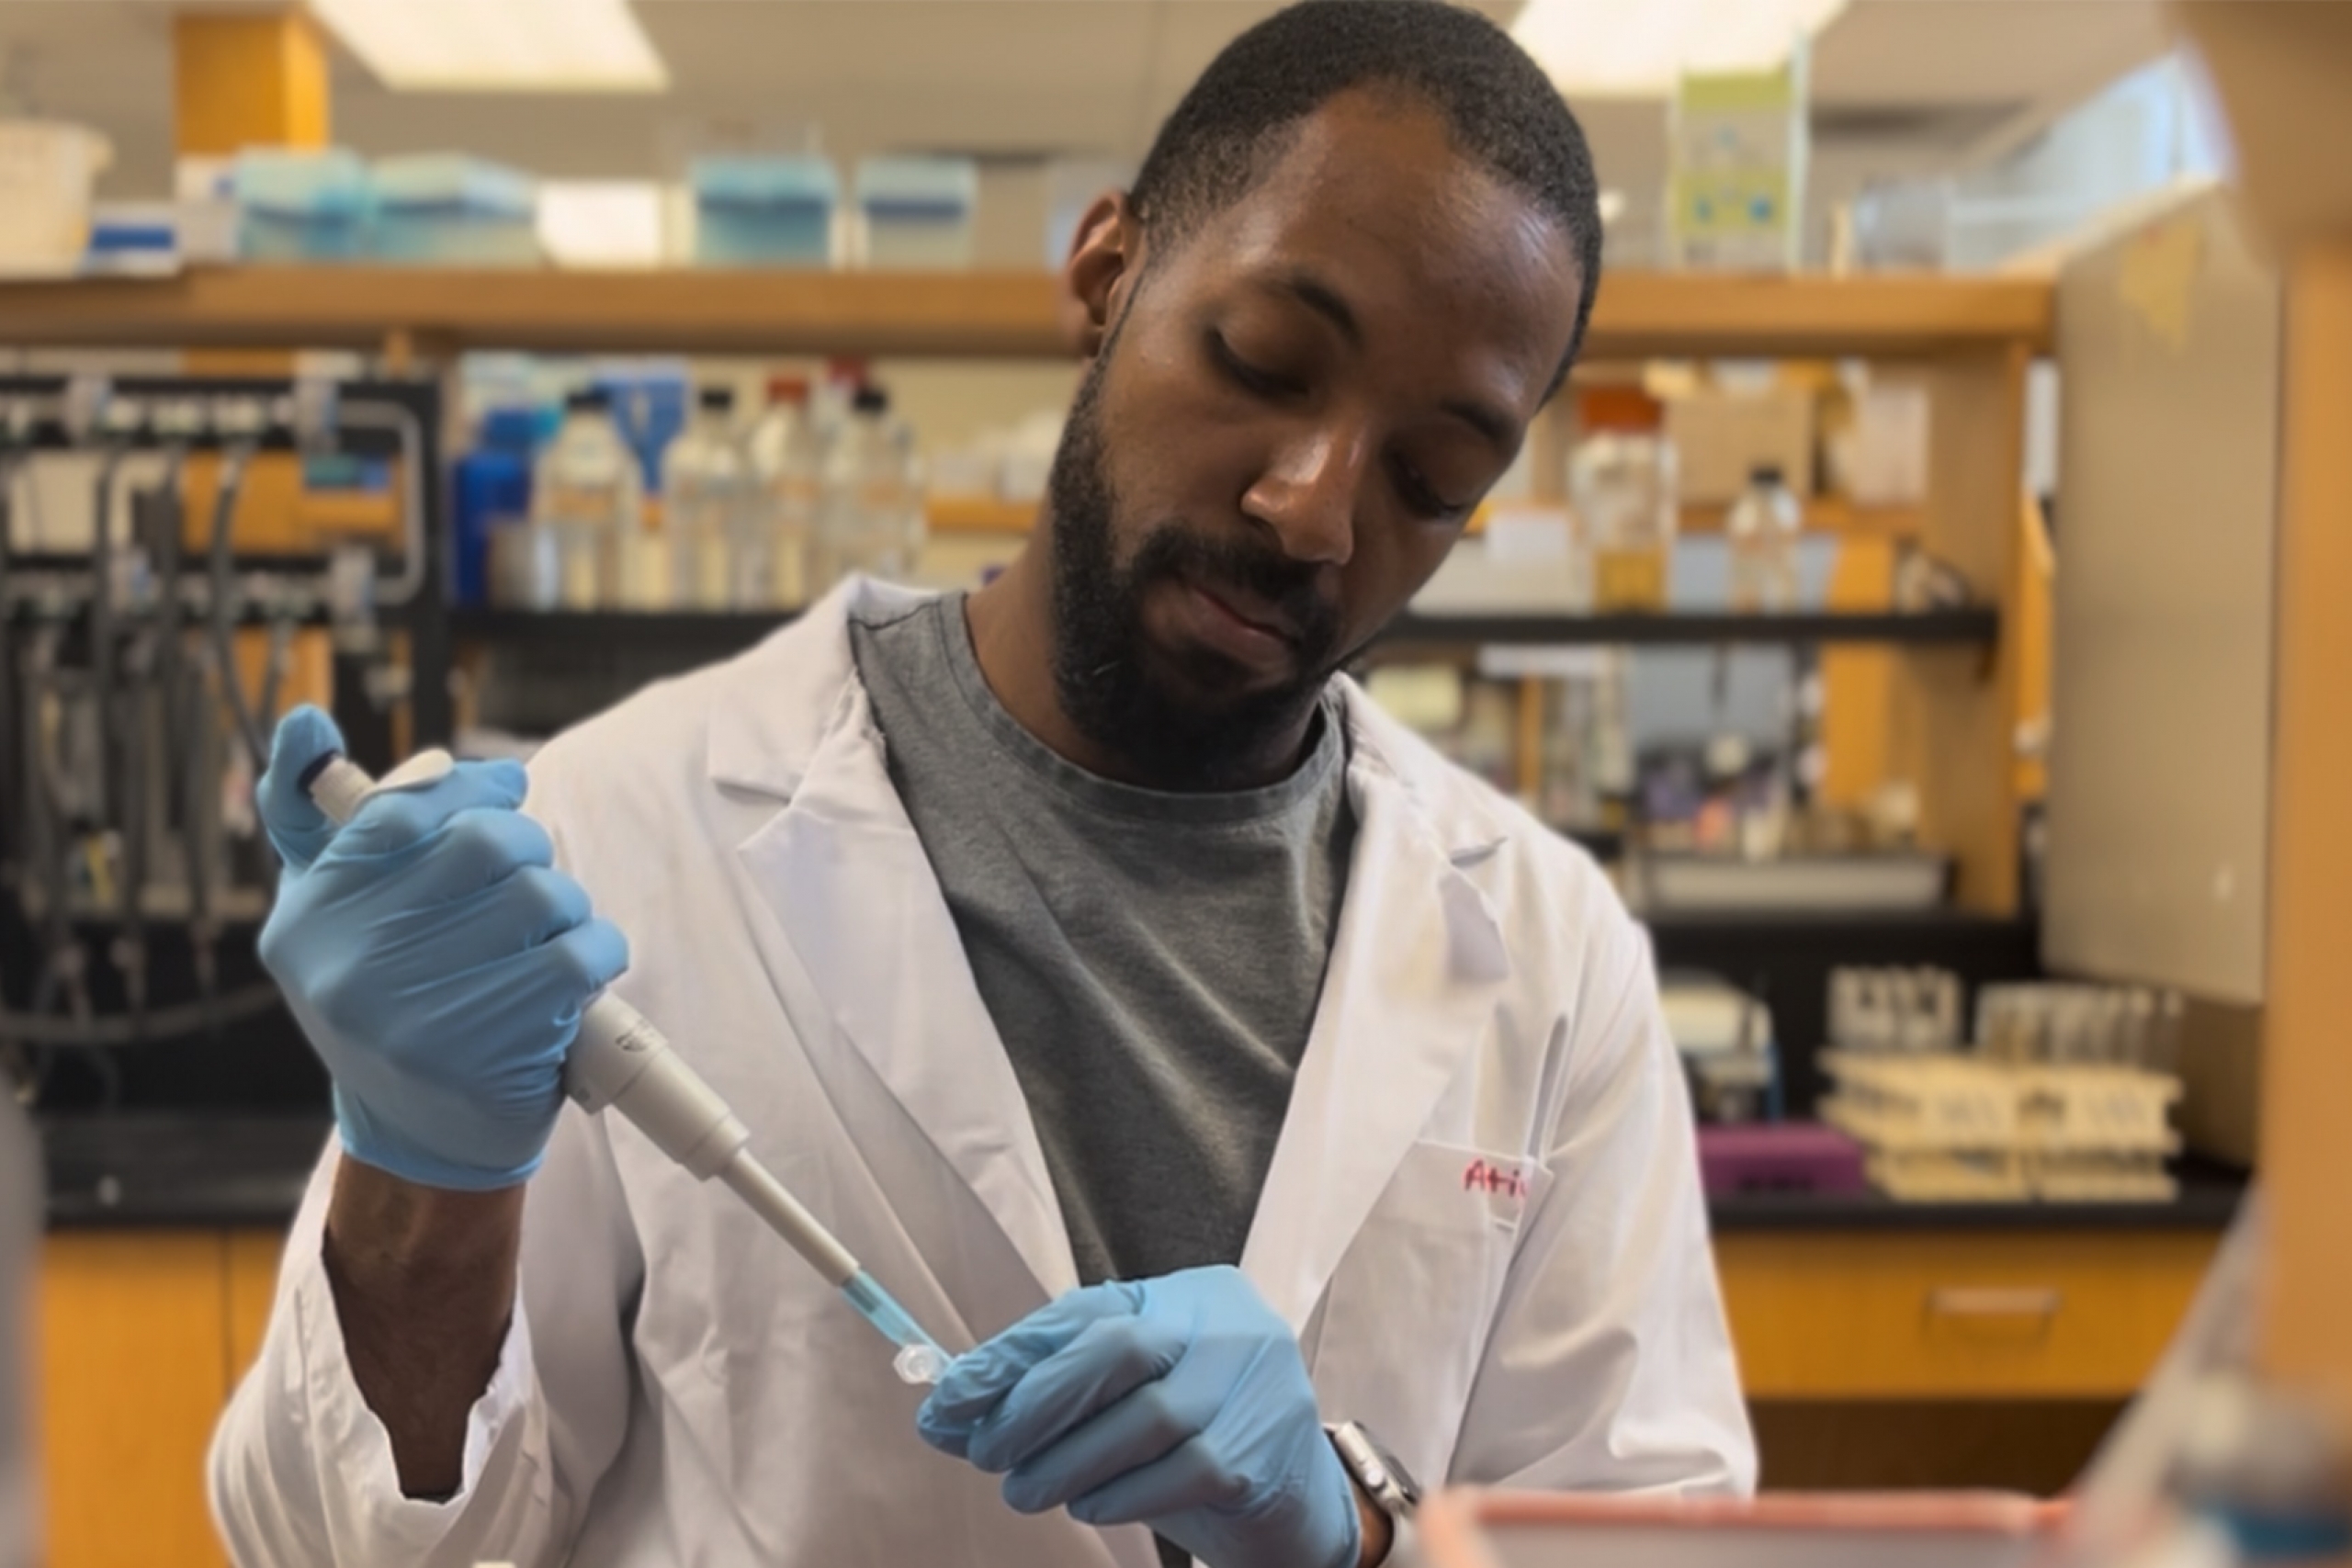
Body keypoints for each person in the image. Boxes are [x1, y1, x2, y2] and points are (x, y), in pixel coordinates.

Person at [210, 4, 1754, 1565]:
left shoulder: (1550, 960)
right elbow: (340, 1550)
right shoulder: (627, 832)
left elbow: (1648, 1538)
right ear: (1106, 279)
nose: (1313, 510)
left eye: (1431, 479)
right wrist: (419, 1180)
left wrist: (1347, 1529)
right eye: (1264, 362)